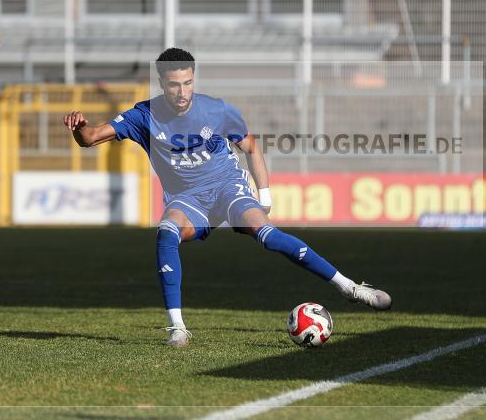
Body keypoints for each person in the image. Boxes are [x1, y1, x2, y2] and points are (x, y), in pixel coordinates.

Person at [62, 48, 391, 346]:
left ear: (194, 79)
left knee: (269, 236)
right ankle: (177, 328)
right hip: (189, 199)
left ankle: (350, 288)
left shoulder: (216, 110)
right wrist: (79, 126)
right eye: (174, 85)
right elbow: (90, 138)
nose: (182, 92)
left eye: (188, 83)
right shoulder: (143, 116)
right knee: (166, 231)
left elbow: (251, 147)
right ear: (161, 83)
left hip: (227, 186)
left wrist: (264, 196)